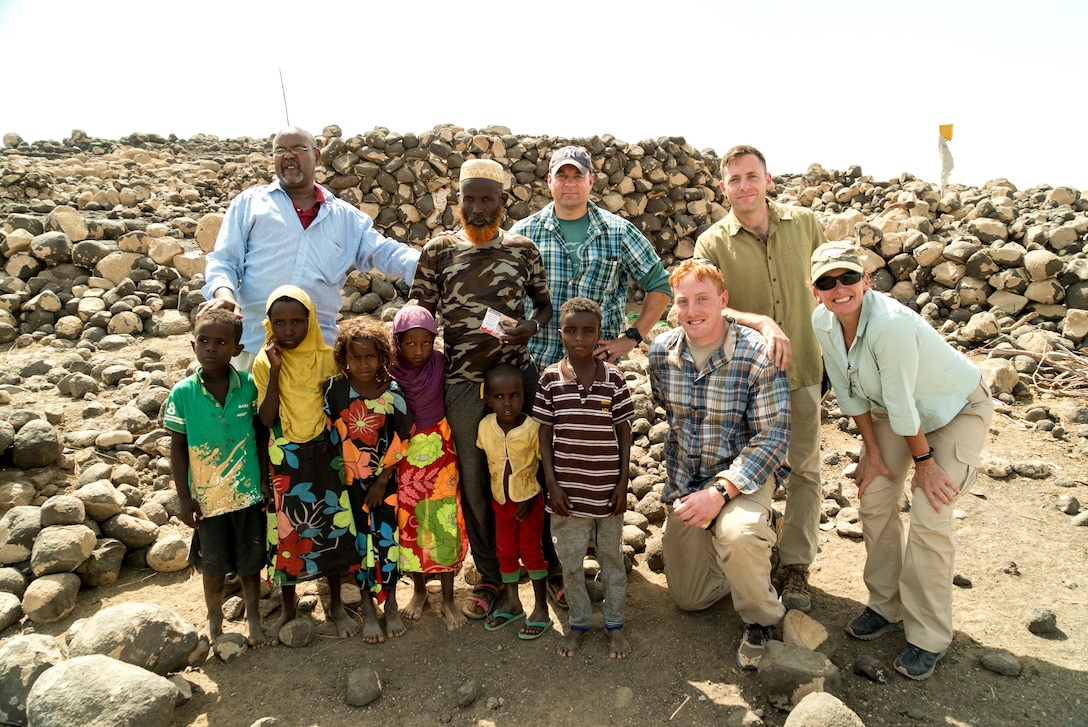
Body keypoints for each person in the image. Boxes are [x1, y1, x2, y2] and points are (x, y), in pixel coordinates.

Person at [809, 242, 993, 680]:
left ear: (866, 280)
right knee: (873, 494)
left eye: (848, 277)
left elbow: (903, 402)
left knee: (931, 511)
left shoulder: (889, 324)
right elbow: (848, 390)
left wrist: (926, 465)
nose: (839, 288)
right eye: (826, 282)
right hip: (893, 415)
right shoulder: (823, 321)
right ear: (815, 291)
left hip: (953, 409)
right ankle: (885, 605)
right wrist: (871, 453)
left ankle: (928, 635)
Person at [410, 158, 552, 620]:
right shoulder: (437, 251)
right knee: (475, 482)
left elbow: (545, 307)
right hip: (463, 385)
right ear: (458, 201)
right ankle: (491, 575)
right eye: (468, 198)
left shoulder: (524, 250)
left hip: (518, 380)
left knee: (533, 473)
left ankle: (546, 570)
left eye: (486, 198)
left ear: (502, 203)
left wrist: (531, 326)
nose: (476, 207)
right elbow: (419, 312)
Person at [693, 144, 828, 613]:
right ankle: (752, 548)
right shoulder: (713, 243)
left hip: (807, 366)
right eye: (734, 179)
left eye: (752, 176)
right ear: (723, 187)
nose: (744, 186)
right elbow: (709, 303)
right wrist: (764, 323)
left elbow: (831, 286)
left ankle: (795, 565)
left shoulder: (807, 224)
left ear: (768, 180)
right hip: (746, 381)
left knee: (806, 469)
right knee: (751, 465)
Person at [648, 259, 790, 670]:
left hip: (744, 476)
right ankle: (749, 547)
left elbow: (773, 437)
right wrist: (694, 494)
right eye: (683, 301)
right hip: (688, 479)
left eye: (703, 299)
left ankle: (763, 618)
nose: (692, 311)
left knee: (739, 534)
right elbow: (667, 412)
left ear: (724, 301)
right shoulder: (661, 351)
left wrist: (721, 491)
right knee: (690, 599)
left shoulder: (758, 353)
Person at [201, 126, 419, 368]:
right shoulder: (250, 204)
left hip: (316, 355)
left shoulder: (346, 219)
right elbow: (224, 261)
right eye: (280, 150)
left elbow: (386, 253)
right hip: (252, 345)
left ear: (316, 156)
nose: (288, 155)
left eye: (298, 148)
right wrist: (224, 295)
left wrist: (436, 255)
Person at [253, 285, 359, 643]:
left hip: (325, 452)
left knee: (331, 525)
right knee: (287, 530)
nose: (288, 330)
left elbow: (340, 409)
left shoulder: (328, 358)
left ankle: (336, 606)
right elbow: (266, 419)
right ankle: (288, 605)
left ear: (311, 321)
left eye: (298, 321)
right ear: (268, 324)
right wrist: (277, 372)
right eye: (279, 322)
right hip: (284, 454)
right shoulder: (264, 362)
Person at [510, 144, 672, 368]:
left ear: (591, 181)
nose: (569, 183)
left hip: (597, 369)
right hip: (536, 366)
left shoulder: (618, 232)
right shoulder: (523, 233)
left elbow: (660, 285)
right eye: (562, 176)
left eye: (578, 176)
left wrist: (631, 338)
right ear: (549, 181)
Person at [534, 298, 634, 659]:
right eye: (572, 330)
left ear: (598, 335)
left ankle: (614, 625)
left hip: (608, 492)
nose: (580, 338)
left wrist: (622, 484)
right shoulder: (550, 378)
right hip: (568, 495)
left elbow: (624, 432)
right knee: (571, 562)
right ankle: (578, 622)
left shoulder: (614, 379)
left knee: (611, 560)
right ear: (560, 334)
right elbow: (544, 434)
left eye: (588, 331)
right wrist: (552, 484)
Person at [166, 308, 269, 646]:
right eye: (204, 342)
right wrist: (184, 498)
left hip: (247, 493)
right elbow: (178, 449)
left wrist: (266, 481)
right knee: (212, 566)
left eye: (221, 342)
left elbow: (260, 435)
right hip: (208, 498)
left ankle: (253, 617)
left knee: (251, 562)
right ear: (193, 345)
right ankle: (215, 619)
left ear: (237, 350)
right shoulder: (183, 393)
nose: (211, 348)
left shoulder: (248, 387)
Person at [325, 316, 413, 644]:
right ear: (344, 359)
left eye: (370, 356)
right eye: (355, 357)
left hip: (383, 485)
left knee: (387, 544)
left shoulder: (392, 392)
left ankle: (390, 604)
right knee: (360, 546)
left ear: (382, 356)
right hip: (348, 485)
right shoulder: (334, 391)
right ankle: (366, 606)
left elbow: (403, 437)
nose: (363, 364)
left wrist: (382, 480)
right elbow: (327, 434)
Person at [389, 305, 469, 632]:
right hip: (405, 454)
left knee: (443, 521)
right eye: (410, 343)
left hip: (440, 450)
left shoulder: (441, 364)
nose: (418, 350)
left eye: (426, 342)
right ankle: (420, 591)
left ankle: (448, 598)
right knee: (410, 523)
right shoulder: (390, 371)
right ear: (397, 342)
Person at [476, 364, 551, 640]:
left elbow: (544, 467)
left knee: (531, 551)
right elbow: (487, 464)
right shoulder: (485, 427)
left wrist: (532, 496)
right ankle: (512, 602)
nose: (507, 403)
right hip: (500, 502)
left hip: (528, 502)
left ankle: (541, 608)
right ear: (488, 398)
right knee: (505, 552)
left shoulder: (533, 428)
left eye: (514, 396)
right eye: (499, 397)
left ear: (524, 395)